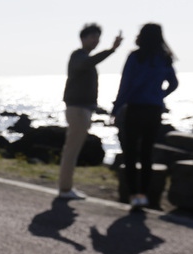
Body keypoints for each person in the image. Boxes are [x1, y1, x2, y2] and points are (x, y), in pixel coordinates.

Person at [111, 23, 178, 209]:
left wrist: (116, 109)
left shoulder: (135, 57)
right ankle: (144, 195)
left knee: (131, 153)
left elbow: (125, 85)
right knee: (147, 153)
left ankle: (133, 195)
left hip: (135, 109)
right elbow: (174, 83)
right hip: (154, 110)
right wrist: (159, 96)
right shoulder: (164, 58)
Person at [59, 24, 123, 199]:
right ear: (83, 38)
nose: (96, 41)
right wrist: (111, 50)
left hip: (82, 109)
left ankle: (66, 187)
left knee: (72, 149)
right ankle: (65, 189)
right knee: (72, 150)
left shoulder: (83, 57)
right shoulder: (78, 56)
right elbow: (86, 64)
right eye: (93, 37)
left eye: (98, 38)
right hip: (78, 109)